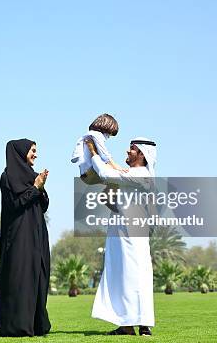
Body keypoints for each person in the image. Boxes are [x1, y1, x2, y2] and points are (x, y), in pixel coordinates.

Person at [86, 137, 158, 336]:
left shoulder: (140, 174)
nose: (127, 152)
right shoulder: (134, 177)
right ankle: (135, 325)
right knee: (127, 277)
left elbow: (104, 172)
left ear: (142, 155)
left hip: (131, 237)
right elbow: (119, 206)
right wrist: (109, 196)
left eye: (132, 149)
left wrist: (93, 151)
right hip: (122, 233)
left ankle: (135, 325)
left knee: (132, 277)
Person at [0, 139, 51, 337]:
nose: (35, 154)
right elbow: (16, 205)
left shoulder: (33, 176)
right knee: (20, 278)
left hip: (37, 235)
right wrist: (35, 188)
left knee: (38, 275)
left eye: (36, 151)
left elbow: (43, 206)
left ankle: (37, 324)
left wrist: (40, 187)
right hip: (19, 237)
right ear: (20, 152)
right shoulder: (8, 177)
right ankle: (16, 325)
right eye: (32, 150)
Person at [71, 114, 125, 184]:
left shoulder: (86, 136)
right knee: (119, 178)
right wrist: (117, 167)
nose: (108, 137)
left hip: (84, 175)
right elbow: (104, 154)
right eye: (109, 134)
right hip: (92, 172)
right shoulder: (97, 135)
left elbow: (75, 157)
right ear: (107, 126)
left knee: (113, 185)